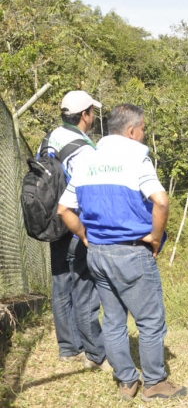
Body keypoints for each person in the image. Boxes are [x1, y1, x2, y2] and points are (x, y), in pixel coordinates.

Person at [57, 104, 187, 401]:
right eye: (142, 130)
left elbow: (64, 209)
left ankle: (126, 381)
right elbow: (161, 202)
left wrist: (84, 236)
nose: (142, 135)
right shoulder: (136, 158)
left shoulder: (88, 160)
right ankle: (154, 383)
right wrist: (155, 237)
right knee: (150, 320)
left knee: (113, 320)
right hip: (131, 253)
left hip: (98, 254)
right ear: (131, 131)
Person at [43, 90, 107, 370]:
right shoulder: (80, 147)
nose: (93, 117)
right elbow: (86, 188)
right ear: (84, 115)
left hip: (51, 221)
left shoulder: (51, 136)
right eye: (92, 112)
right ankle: (94, 351)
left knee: (61, 283)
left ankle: (68, 348)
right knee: (83, 285)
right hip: (73, 220)